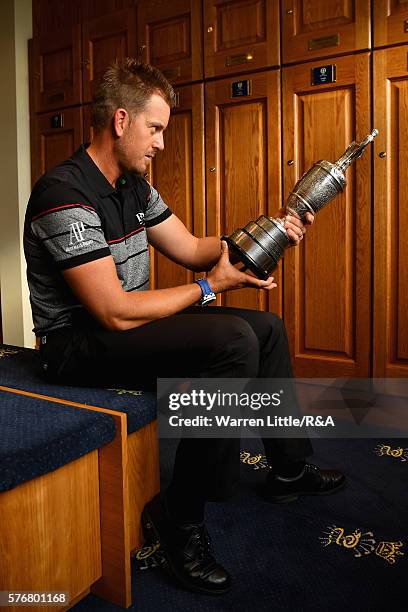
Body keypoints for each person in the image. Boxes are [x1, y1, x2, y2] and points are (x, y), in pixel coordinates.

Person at [24, 59, 345, 596]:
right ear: (121, 121)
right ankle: (180, 517)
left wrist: (273, 232)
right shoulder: (64, 192)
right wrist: (208, 289)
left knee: (265, 328)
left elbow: (195, 249)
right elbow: (113, 311)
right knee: (232, 341)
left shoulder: (136, 187)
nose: (161, 144)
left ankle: (290, 467)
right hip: (75, 345)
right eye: (156, 130)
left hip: (122, 327)